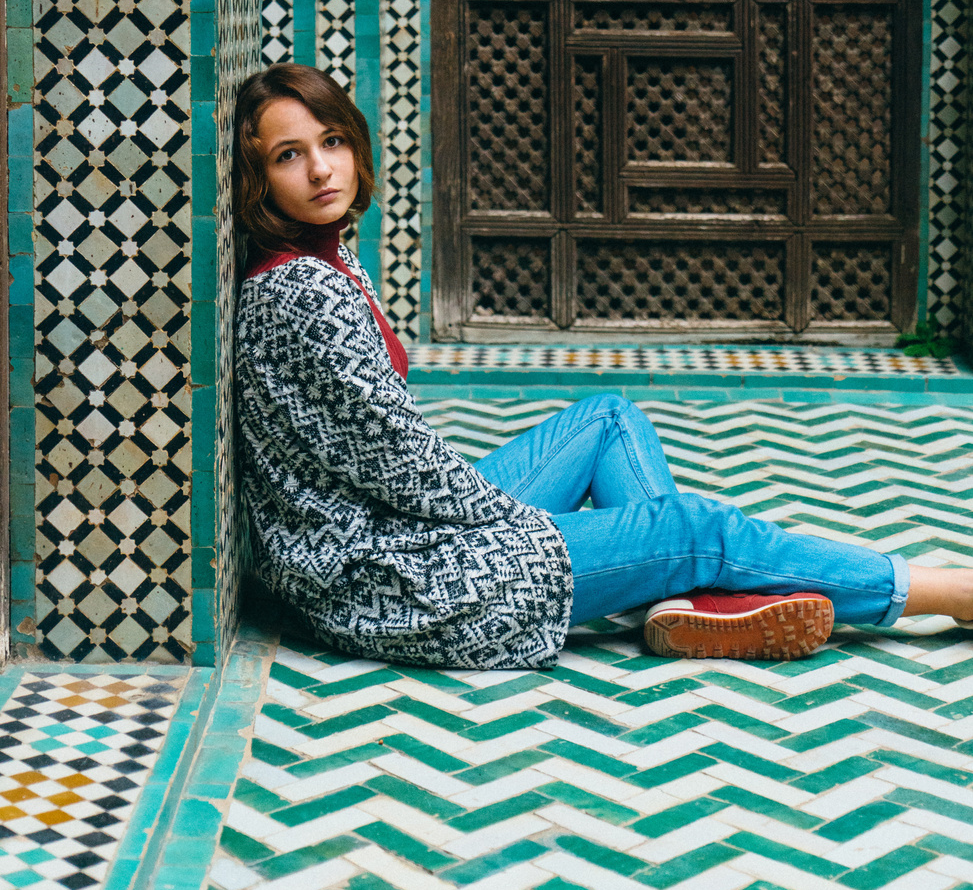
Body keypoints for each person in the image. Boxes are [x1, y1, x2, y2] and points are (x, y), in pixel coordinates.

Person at [233, 63, 973, 670]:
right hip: (389, 582)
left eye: (330, 140)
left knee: (609, 419)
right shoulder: (304, 292)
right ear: (259, 177)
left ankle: (670, 600)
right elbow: (404, 465)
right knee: (698, 530)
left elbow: (393, 465)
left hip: (395, 532)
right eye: (288, 154)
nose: (321, 168)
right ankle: (944, 590)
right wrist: (534, 530)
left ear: (355, 144)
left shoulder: (323, 255)